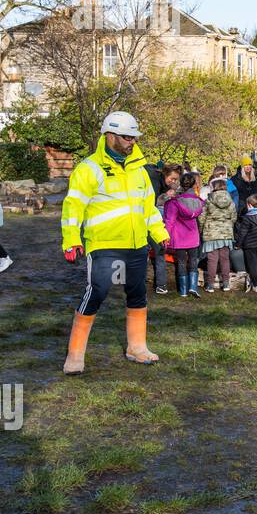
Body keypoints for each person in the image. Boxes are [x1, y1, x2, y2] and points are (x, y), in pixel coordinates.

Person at [60, 111, 168, 375]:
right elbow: (73, 206)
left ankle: (137, 347)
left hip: (136, 244)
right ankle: (75, 355)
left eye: (134, 137)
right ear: (109, 135)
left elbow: (149, 206)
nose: (132, 141)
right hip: (104, 244)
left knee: (138, 293)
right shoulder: (89, 168)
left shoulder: (139, 170)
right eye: (126, 136)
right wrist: (71, 240)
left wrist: (160, 232)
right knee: (97, 291)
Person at [163, 171, 205, 298]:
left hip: (179, 236)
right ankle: (193, 287)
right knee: (193, 260)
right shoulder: (198, 201)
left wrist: (166, 236)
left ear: (181, 184)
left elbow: (169, 221)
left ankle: (183, 290)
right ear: (193, 185)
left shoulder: (175, 202)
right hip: (193, 234)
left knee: (181, 262)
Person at [148, 163, 183, 295]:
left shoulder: (161, 183)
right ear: (165, 174)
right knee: (157, 250)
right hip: (146, 221)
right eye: (172, 178)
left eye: (175, 180)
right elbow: (150, 207)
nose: (173, 182)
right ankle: (159, 285)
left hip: (151, 221)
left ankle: (161, 285)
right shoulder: (155, 182)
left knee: (159, 250)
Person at [200, 175, 237, 292]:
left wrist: (201, 230)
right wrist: (227, 225)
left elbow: (202, 218)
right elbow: (234, 218)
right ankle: (226, 283)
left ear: (214, 187)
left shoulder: (208, 200)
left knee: (212, 259)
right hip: (226, 233)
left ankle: (210, 285)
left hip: (211, 233)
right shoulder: (231, 201)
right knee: (225, 258)